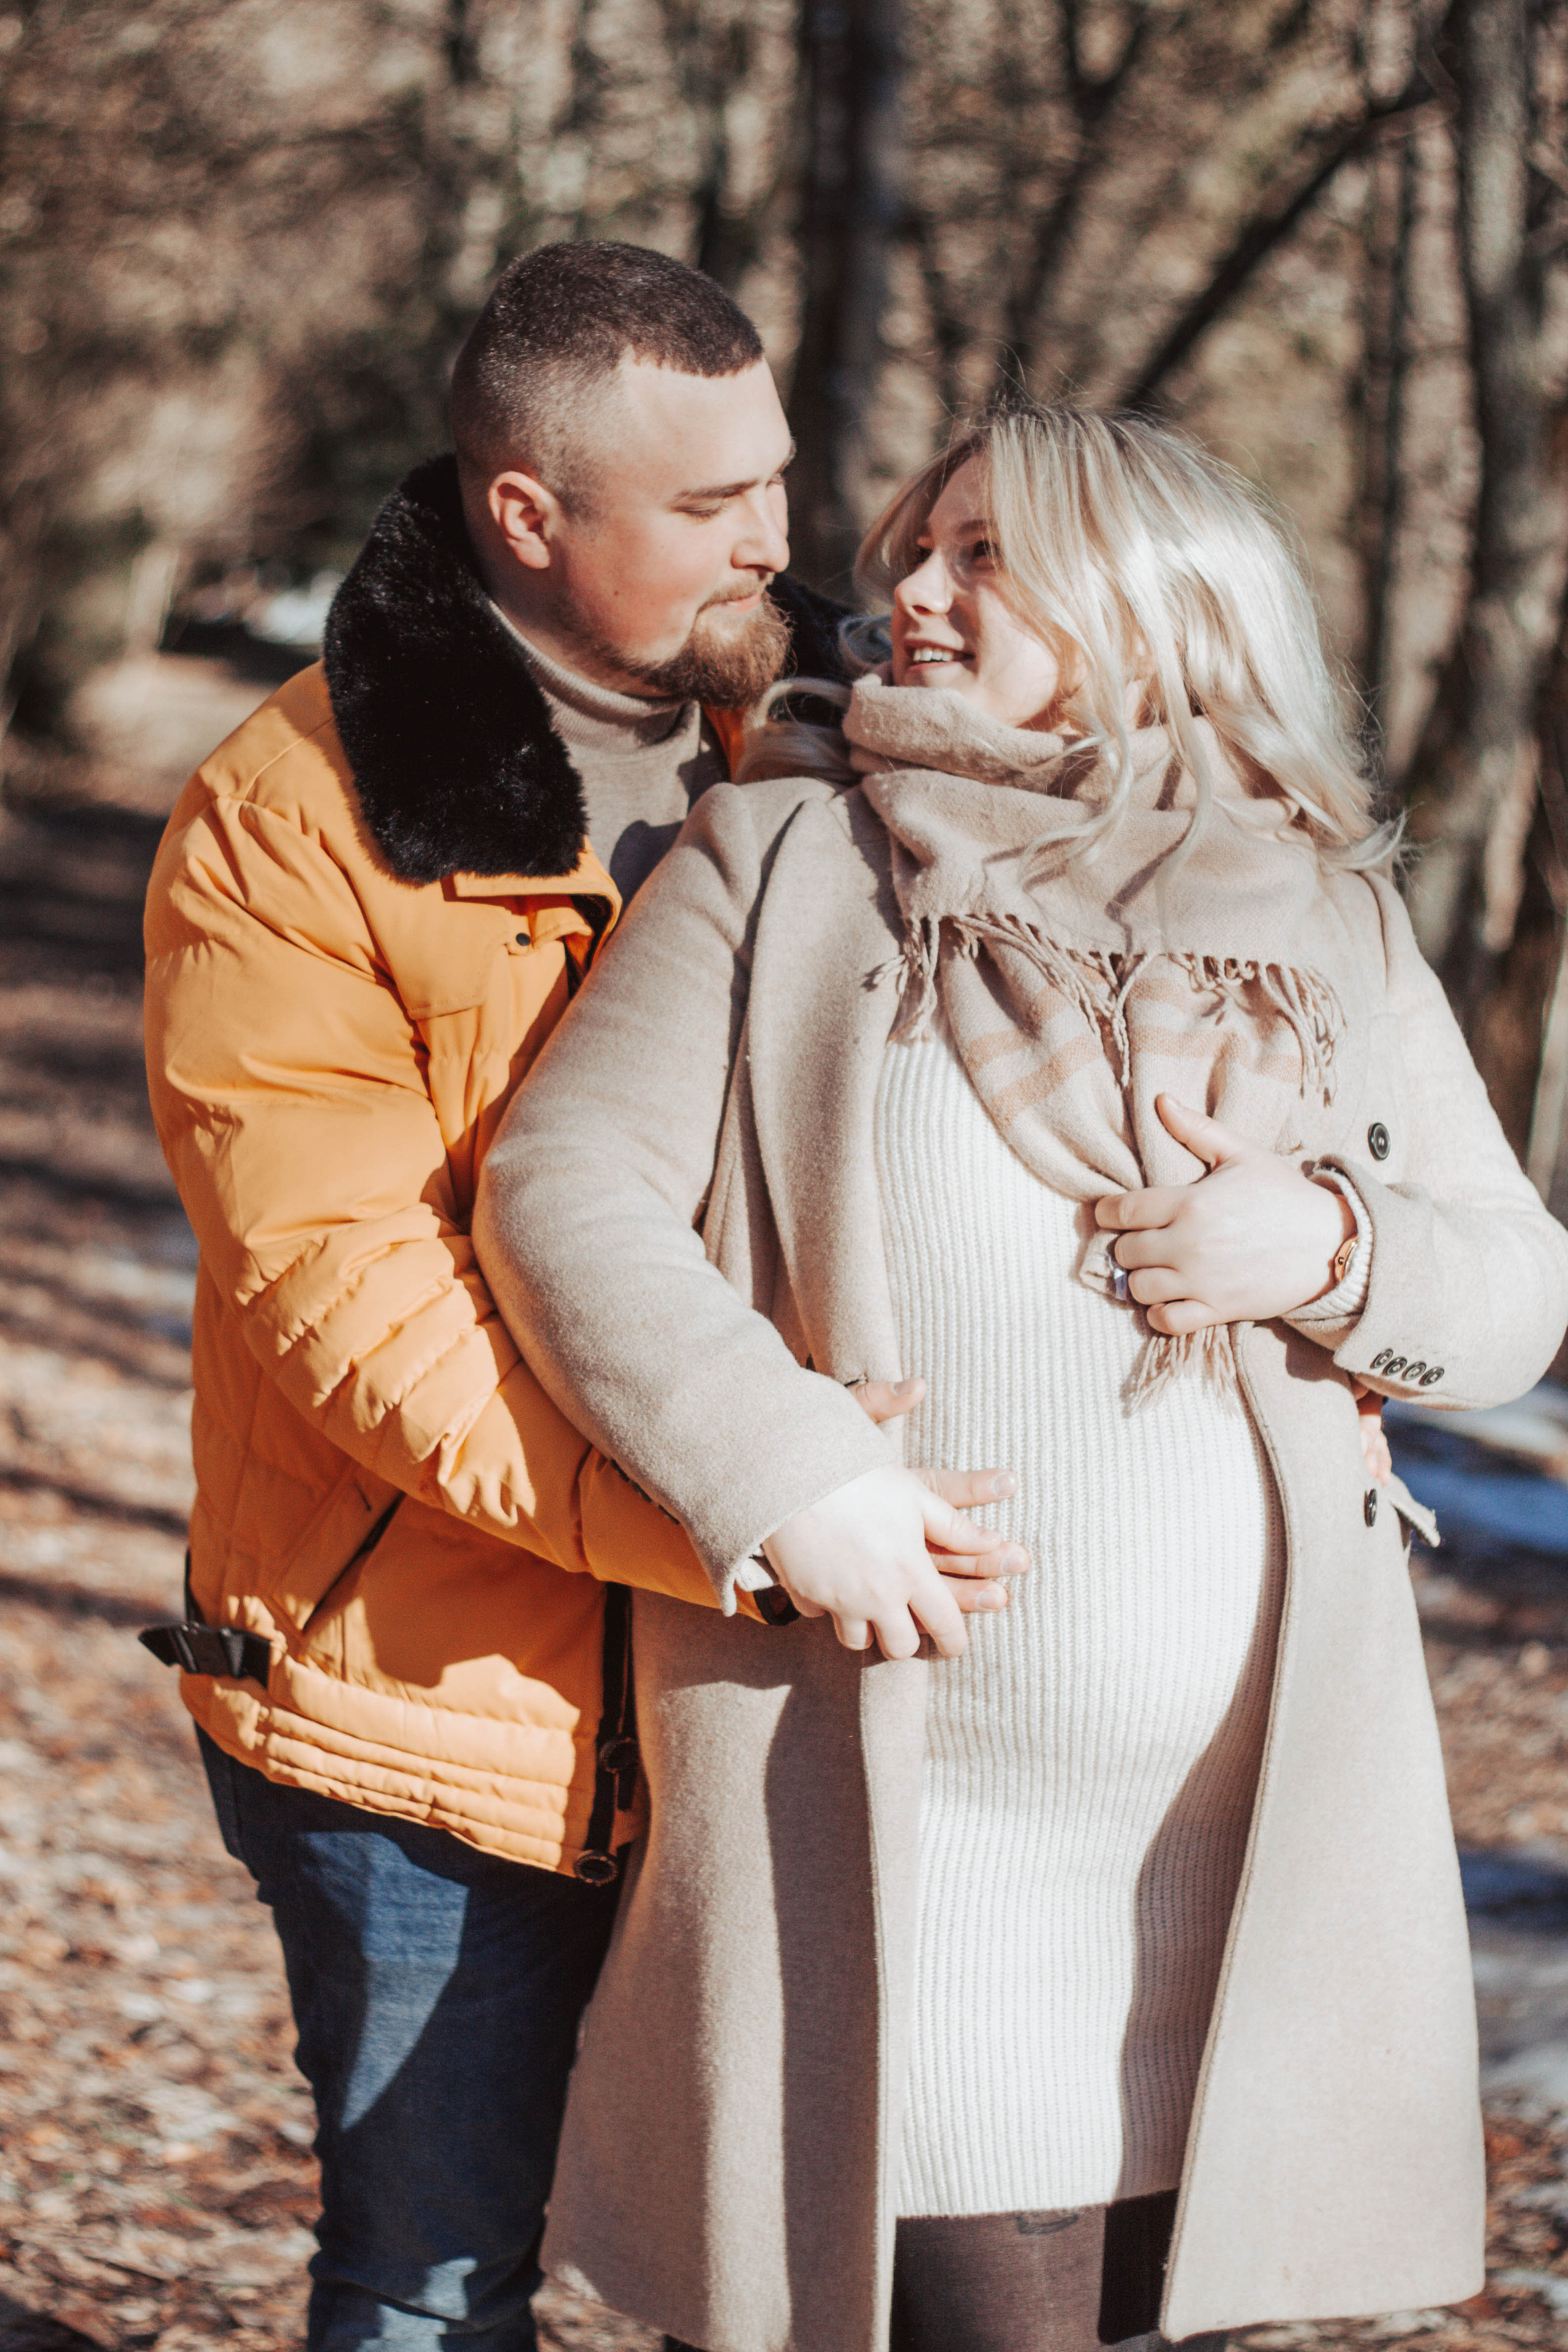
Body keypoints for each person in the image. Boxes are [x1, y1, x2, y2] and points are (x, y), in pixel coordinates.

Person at [475, 399, 1568, 2352]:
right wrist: (786, 1475)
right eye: (916, 545)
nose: (914, 586)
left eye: (984, 552)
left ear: (1154, 600)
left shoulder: (1323, 912)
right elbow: (565, 1187)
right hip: (913, 1821)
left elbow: (1514, 1293)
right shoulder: (787, 855)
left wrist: (1331, 1245)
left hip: (1245, 1850)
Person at [137, 241, 1025, 2352]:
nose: (778, 541)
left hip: (777, 1685)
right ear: (527, 513)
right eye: (710, 506)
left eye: (777, 479)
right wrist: (738, 1511)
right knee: (437, 2287)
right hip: (438, 1714)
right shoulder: (294, 818)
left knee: (796, 2280)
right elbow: (352, 1304)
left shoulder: (838, 736)